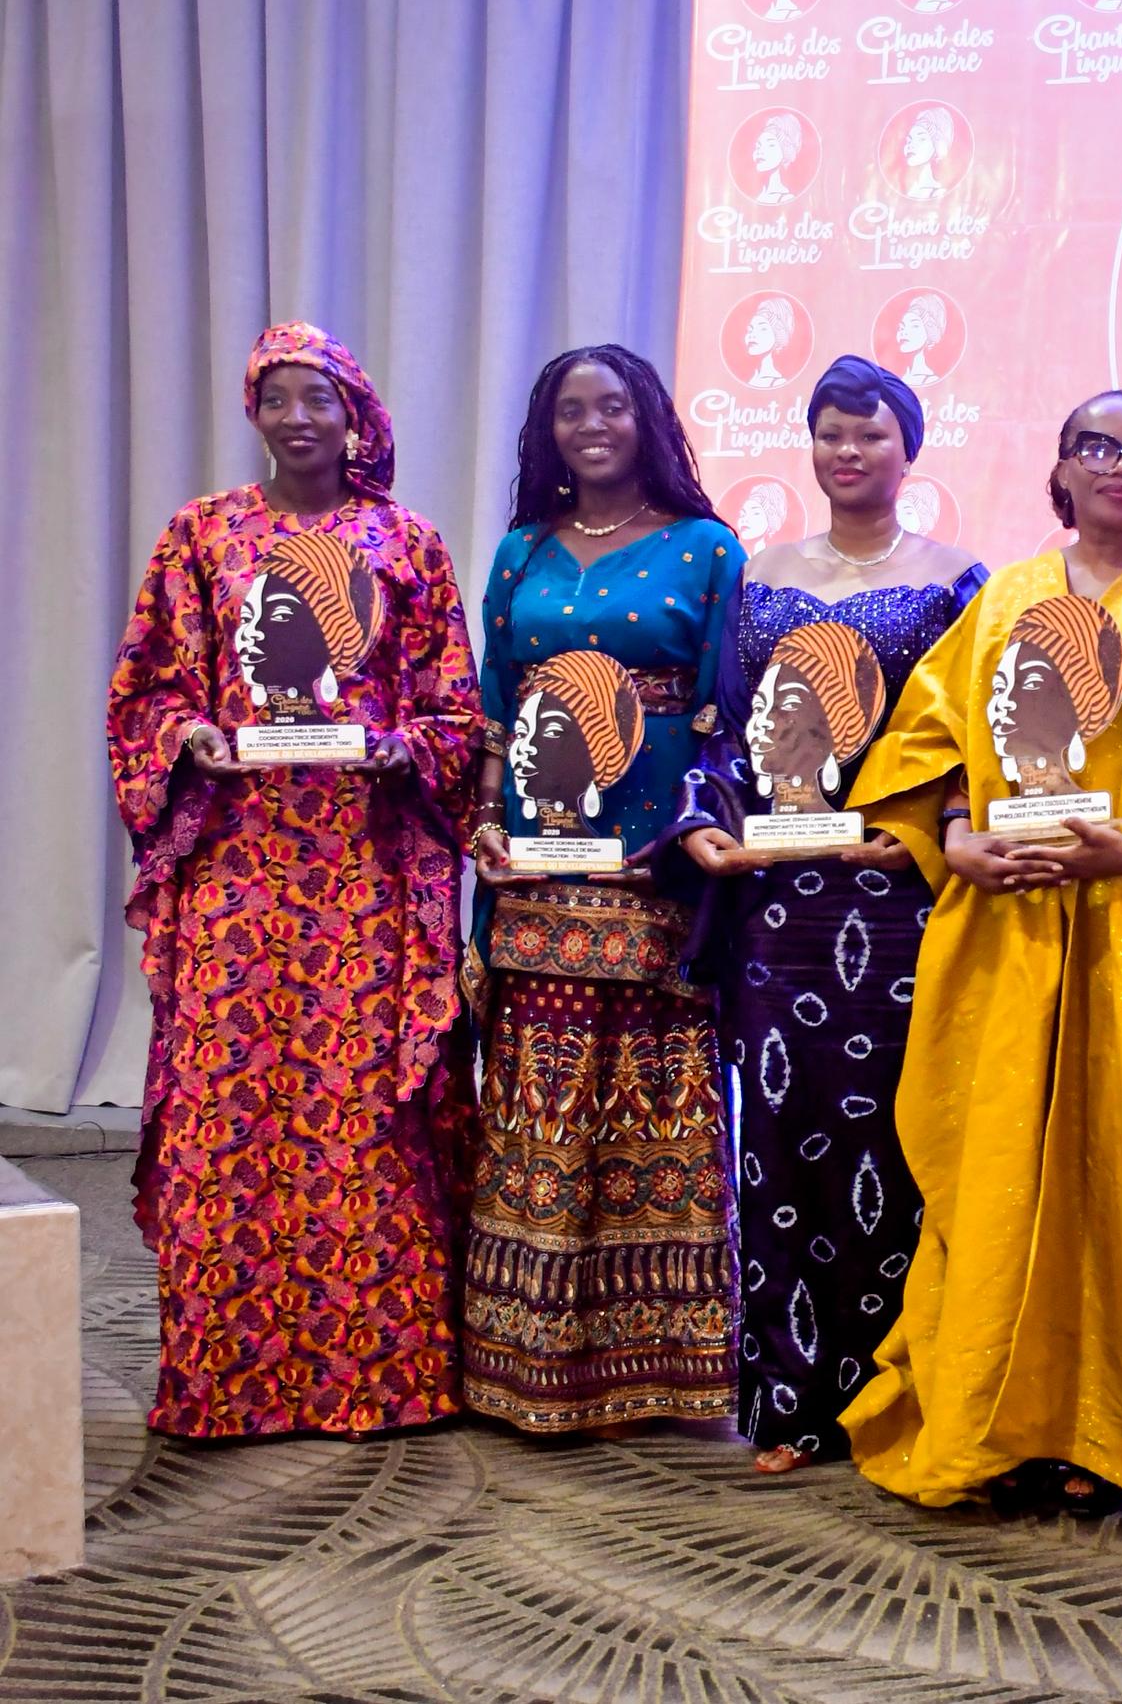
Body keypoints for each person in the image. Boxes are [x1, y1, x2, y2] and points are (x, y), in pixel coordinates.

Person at [838, 389, 1122, 1547]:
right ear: (1061, 467)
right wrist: (958, 837)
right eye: (1097, 446)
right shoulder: (1006, 595)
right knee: (999, 1173)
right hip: (1013, 925)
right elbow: (931, 740)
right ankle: (995, 1421)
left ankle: (1114, 1430)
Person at [105, 321, 479, 1438]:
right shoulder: (200, 533)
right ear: (254, 412)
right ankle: (224, 1382)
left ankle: (383, 1379)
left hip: (365, 873)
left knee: (366, 1113)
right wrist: (190, 737)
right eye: (278, 397)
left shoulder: (407, 541)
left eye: (319, 397)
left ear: (354, 411)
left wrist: (404, 748)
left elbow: (455, 711)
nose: (299, 417)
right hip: (237, 869)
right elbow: (146, 689)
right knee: (225, 1102)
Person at [664, 356, 984, 1474]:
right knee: (781, 1147)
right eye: (831, 433)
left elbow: (970, 746)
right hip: (777, 907)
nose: (849, 452)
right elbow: (719, 731)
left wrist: (924, 826)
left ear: (911, 449)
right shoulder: (760, 578)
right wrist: (699, 822)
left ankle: (897, 1395)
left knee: (900, 1139)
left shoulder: (958, 580)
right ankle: (794, 1404)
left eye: (871, 434)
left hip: (897, 901)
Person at [464, 345, 744, 1434]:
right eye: (571, 409)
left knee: (650, 1104)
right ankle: (524, 1362)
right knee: (537, 1105)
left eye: (613, 406)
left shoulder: (707, 547)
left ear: (648, 420)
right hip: (537, 865)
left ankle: (659, 1367)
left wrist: (684, 834)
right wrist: (487, 826)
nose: (592, 424)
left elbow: (723, 716)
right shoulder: (521, 550)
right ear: (548, 430)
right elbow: (496, 710)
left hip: (652, 864)